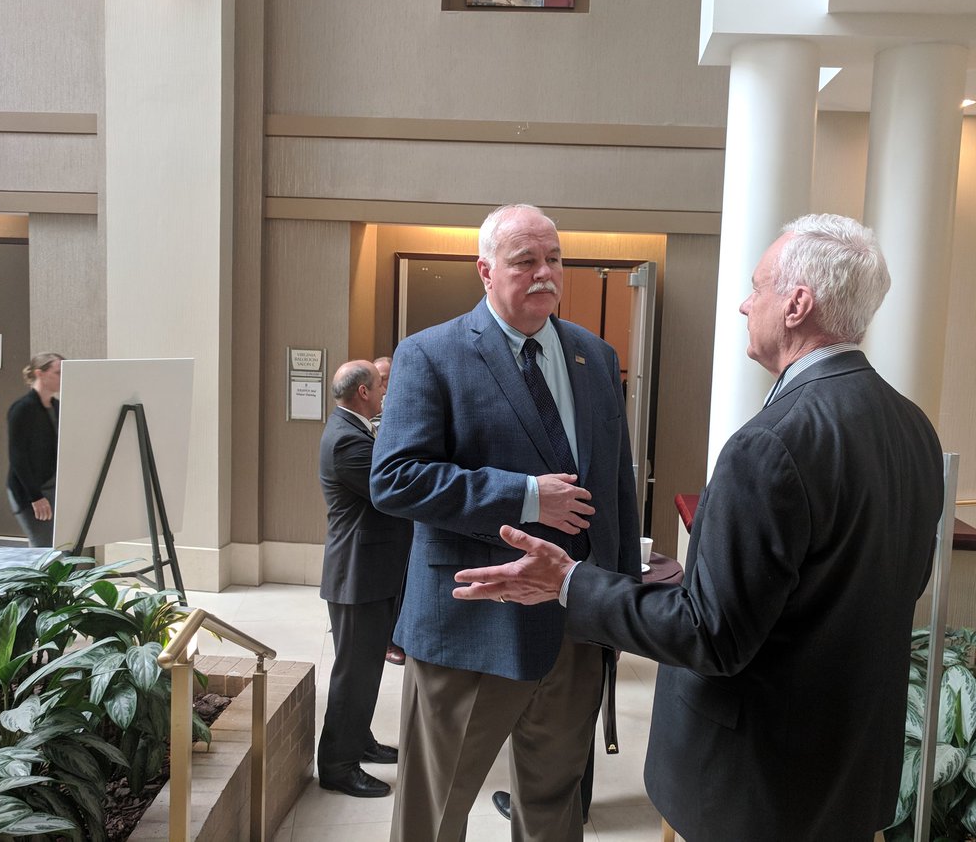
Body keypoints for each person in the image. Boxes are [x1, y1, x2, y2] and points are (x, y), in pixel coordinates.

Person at [452, 213, 944, 842]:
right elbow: (859, 585)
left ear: (796, 304)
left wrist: (570, 582)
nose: (744, 304)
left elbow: (710, 638)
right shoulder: (911, 426)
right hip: (850, 769)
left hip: (756, 782)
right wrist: (706, 578)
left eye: (758, 287)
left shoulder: (771, 444)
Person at [370, 204, 641, 842]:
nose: (544, 273)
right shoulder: (429, 355)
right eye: (526, 261)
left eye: (554, 259)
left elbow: (617, 486)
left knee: (554, 805)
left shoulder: (595, 357)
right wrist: (522, 496)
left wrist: (620, 599)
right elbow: (395, 478)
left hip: (574, 625)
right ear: (485, 270)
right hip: (472, 623)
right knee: (434, 811)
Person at [317, 360, 413, 798]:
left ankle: (361, 742)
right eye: (380, 386)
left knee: (367, 668)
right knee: (353, 674)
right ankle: (337, 765)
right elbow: (390, 490)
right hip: (356, 575)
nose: (385, 392)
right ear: (363, 393)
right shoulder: (345, 442)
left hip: (370, 572)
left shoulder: (354, 429)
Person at [7, 352, 63, 548]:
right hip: (30, 490)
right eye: (58, 372)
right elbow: (17, 456)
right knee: (43, 548)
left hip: (54, 487)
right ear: (40, 373)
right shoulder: (23, 408)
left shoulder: (57, 407)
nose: (62, 377)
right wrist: (35, 496)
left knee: (56, 548)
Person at [371, 353, 406, 667]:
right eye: (379, 379)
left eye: (388, 378)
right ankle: (387, 642)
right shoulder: (368, 418)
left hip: (404, 519)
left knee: (400, 583)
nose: (385, 384)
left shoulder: (405, 406)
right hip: (379, 516)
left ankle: (397, 637)